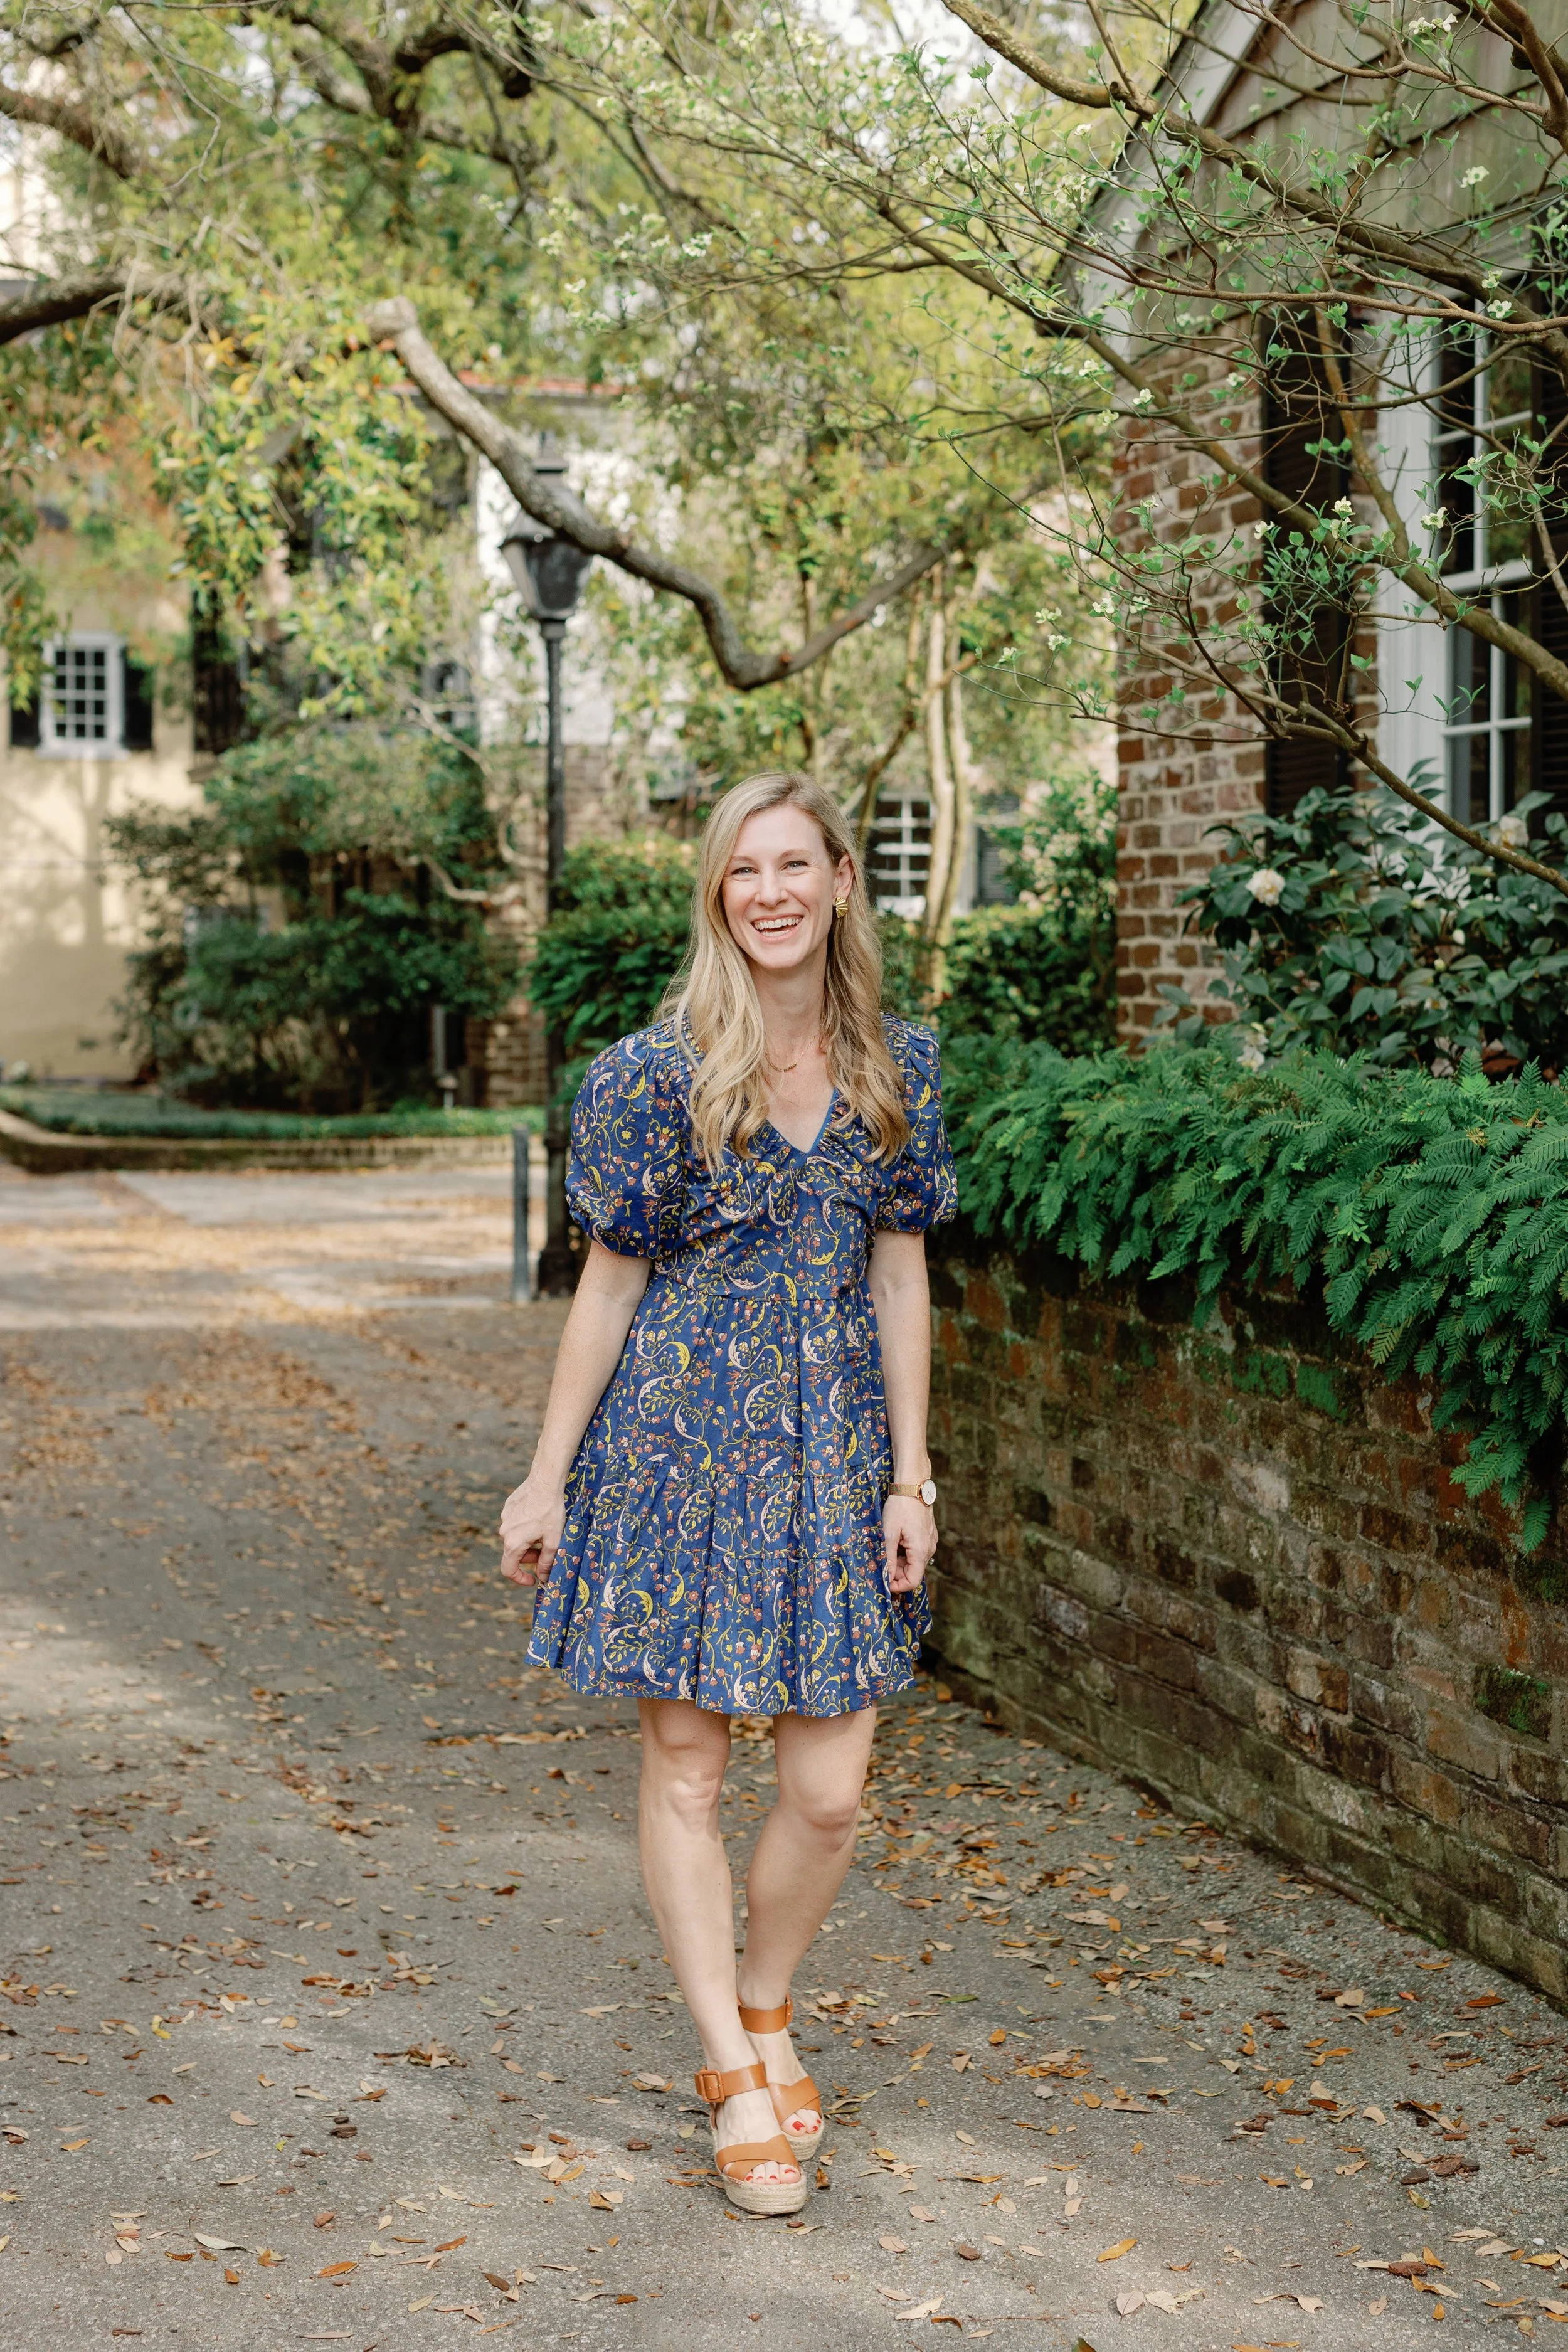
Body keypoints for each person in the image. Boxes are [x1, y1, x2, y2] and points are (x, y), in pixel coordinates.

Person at [498, 770, 955, 2216]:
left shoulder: (898, 1068)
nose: (766, 892)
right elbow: (608, 1286)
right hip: (675, 1458)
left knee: (825, 1794)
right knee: (688, 1769)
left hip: (833, 1469)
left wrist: (911, 1476)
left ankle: (763, 2007)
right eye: (739, 871)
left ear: (833, 880)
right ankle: (728, 2069)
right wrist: (545, 1476)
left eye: (791, 866)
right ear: (717, 895)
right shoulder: (650, 1073)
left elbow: (899, 1275)